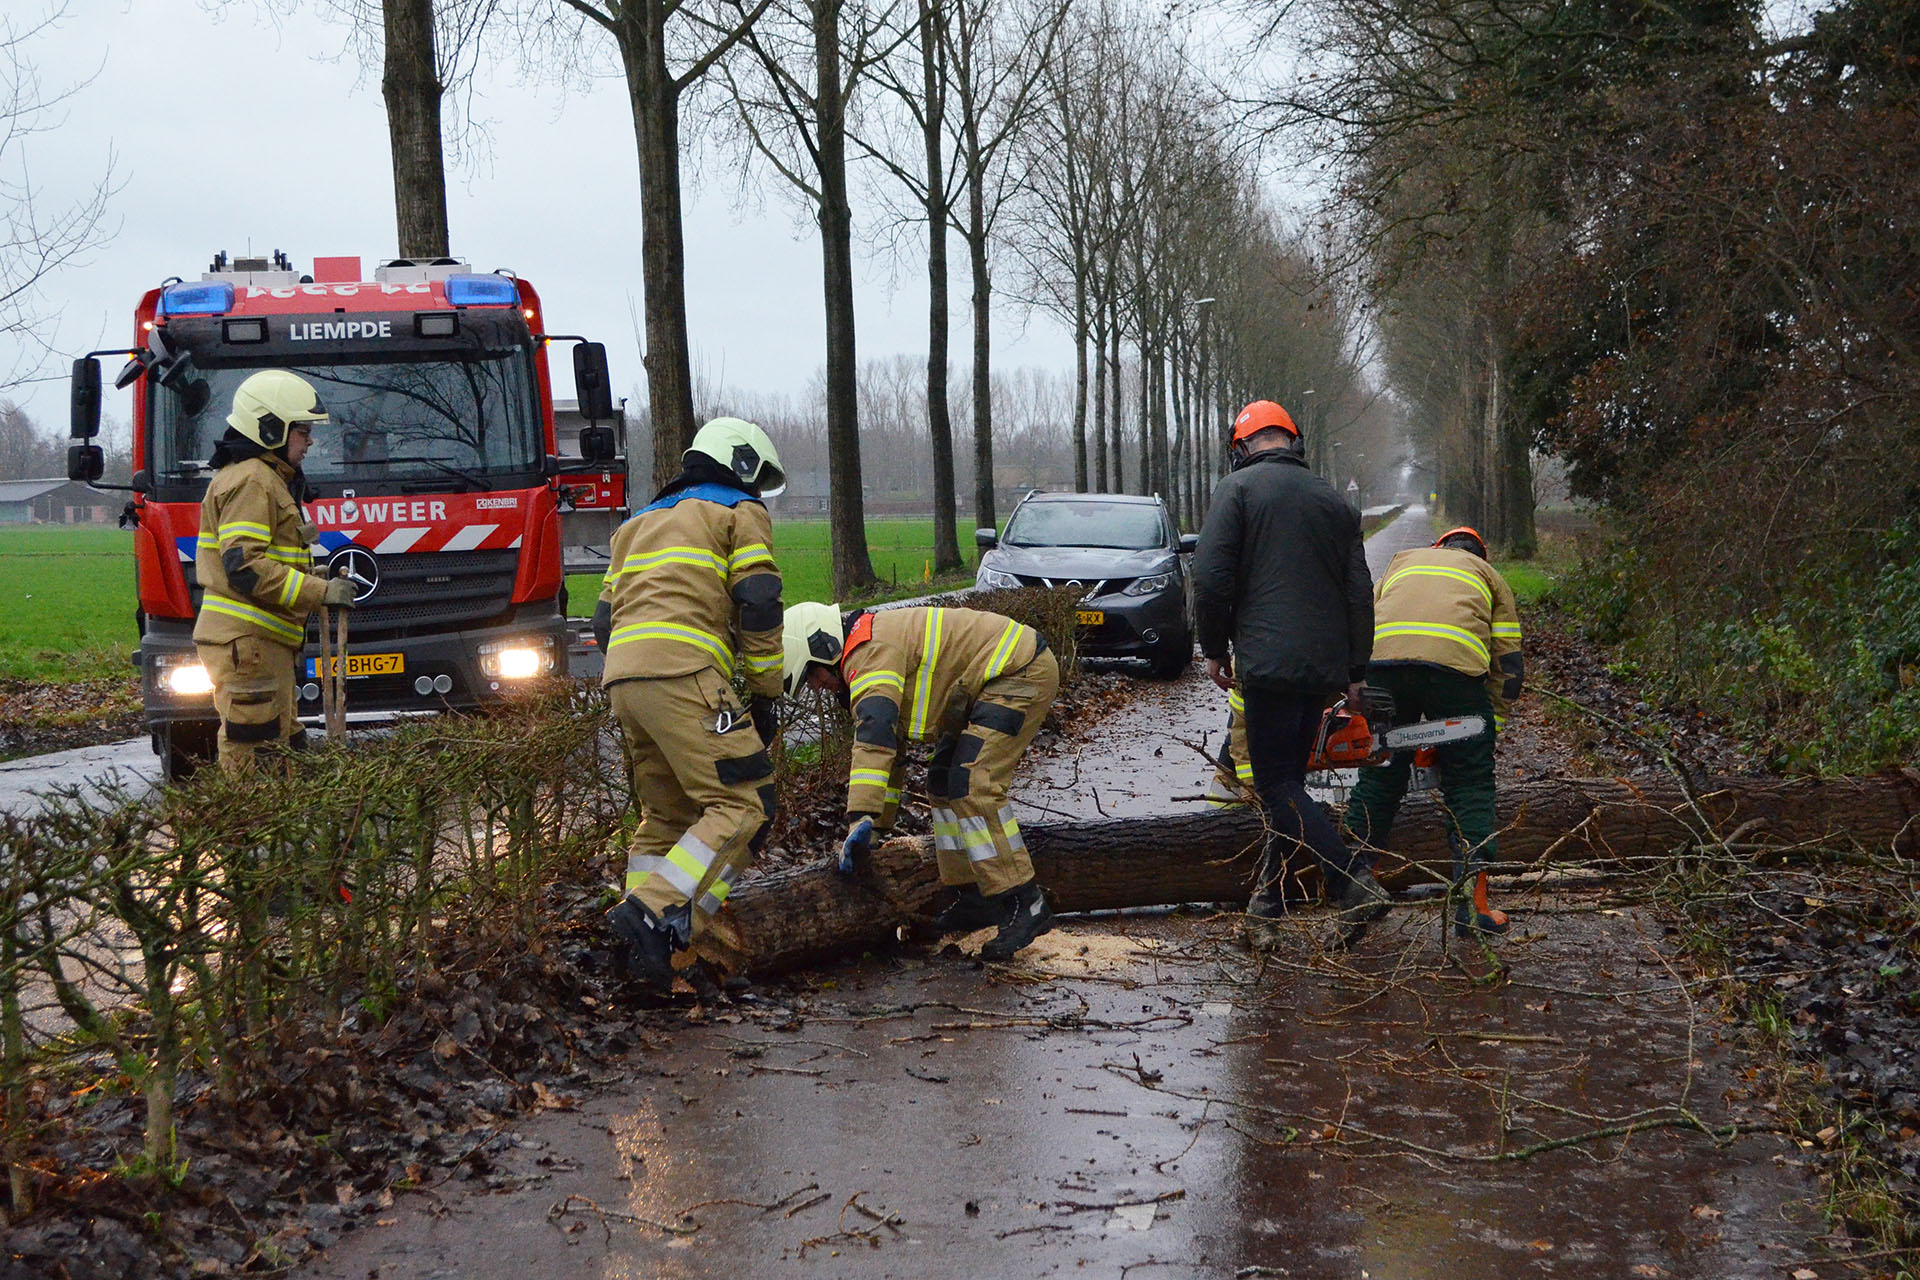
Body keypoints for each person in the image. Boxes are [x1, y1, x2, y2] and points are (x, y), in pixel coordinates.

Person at [597, 418, 787, 993]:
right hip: (687, 673)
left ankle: (647, 964)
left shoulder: (636, 523)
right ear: (745, 465)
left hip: (624, 681)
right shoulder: (739, 512)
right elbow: (757, 601)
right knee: (746, 801)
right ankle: (651, 913)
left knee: (669, 818)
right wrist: (764, 694)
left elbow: (604, 620)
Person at [1191, 398, 1388, 948]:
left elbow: (1209, 579)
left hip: (1269, 665)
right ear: (1292, 441)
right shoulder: (1334, 500)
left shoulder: (1237, 491)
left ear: (1241, 447)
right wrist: (1354, 669)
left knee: (1276, 783)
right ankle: (1268, 903)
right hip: (1323, 668)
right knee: (1290, 785)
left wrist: (1213, 647)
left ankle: (1352, 881)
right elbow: (1358, 595)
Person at [782, 601, 1061, 960]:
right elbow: (892, 754)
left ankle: (1025, 901)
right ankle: (971, 895)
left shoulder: (869, 655)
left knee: (973, 784)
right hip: (989, 683)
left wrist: (859, 817)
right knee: (942, 784)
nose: (817, 686)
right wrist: (876, 826)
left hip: (1018, 671)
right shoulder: (865, 650)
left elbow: (874, 740)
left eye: (811, 675)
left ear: (823, 646)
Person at [1344, 526, 1523, 939]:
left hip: (1384, 668)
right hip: (1456, 673)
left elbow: (1363, 619)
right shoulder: (1488, 576)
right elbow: (1509, 666)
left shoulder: (1402, 562)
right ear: (1482, 554)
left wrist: (1355, 686)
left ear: (1438, 546)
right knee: (1470, 784)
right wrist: (1486, 726)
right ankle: (1472, 907)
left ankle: (1352, 887)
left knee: (1380, 775)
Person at [193, 370, 353, 773]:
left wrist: (311, 575)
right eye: (302, 430)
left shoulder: (265, 479)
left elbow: (264, 557)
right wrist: (320, 592)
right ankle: (251, 835)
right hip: (249, 646)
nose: (310, 440)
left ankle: (277, 834)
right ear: (270, 429)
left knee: (281, 744)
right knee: (254, 754)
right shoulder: (251, 481)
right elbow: (244, 566)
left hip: (261, 647)